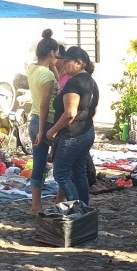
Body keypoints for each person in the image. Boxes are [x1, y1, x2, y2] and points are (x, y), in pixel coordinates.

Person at [45, 46, 99, 204]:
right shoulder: (90, 81)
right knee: (78, 172)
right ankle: (84, 209)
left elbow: (70, 113)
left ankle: (77, 208)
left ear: (79, 63)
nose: (64, 63)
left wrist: (52, 131)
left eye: (68, 60)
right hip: (85, 131)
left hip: (73, 135)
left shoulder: (75, 83)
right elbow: (92, 108)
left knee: (61, 173)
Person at [26, 29, 60, 217]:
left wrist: (53, 65)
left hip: (34, 120)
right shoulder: (47, 77)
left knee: (38, 165)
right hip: (46, 123)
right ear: (52, 53)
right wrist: (42, 132)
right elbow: (45, 105)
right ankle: (59, 203)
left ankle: (35, 207)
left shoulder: (31, 68)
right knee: (63, 166)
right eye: (56, 54)